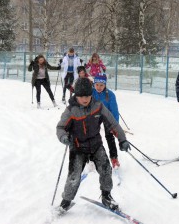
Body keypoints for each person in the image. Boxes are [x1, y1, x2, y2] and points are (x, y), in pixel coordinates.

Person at [56, 78, 130, 212]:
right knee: (74, 175)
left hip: (96, 145)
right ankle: (66, 201)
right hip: (78, 147)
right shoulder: (71, 111)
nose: (85, 99)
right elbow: (60, 127)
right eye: (82, 96)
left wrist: (122, 140)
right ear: (76, 95)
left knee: (106, 169)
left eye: (88, 96)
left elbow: (113, 123)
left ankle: (106, 196)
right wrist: (63, 137)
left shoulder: (98, 106)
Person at [92, 73, 120, 168]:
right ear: (94, 84)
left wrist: (115, 126)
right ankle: (92, 157)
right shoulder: (91, 92)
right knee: (92, 136)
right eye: (97, 85)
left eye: (101, 85)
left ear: (105, 85)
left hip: (107, 116)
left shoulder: (110, 95)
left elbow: (114, 111)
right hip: (94, 116)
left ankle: (114, 157)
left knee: (109, 136)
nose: (99, 87)